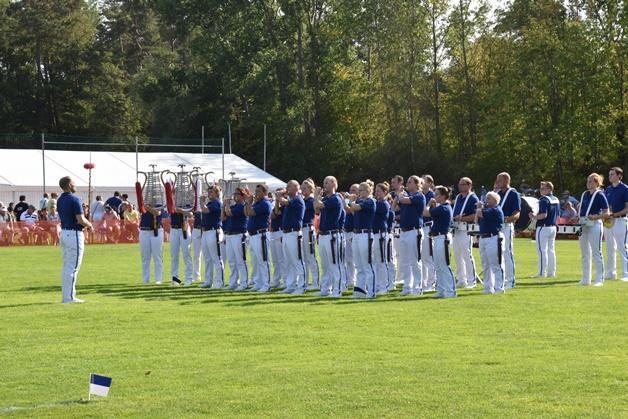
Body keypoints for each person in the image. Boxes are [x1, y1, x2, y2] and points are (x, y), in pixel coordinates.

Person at [57, 176, 93, 303]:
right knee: (73, 267)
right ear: (69, 185)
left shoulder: (60, 200)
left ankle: (66, 296)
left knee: (67, 266)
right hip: (74, 234)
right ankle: (69, 297)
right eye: (73, 183)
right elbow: (80, 219)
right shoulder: (75, 199)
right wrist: (90, 225)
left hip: (64, 232)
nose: (75, 185)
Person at [394, 175, 425, 296]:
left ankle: (417, 287)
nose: (407, 184)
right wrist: (397, 196)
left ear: (417, 184)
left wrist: (399, 194)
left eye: (410, 182)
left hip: (414, 231)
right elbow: (394, 207)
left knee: (415, 260)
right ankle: (407, 287)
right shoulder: (405, 196)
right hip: (404, 231)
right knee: (404, 260)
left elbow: (404, 200)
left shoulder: (419, 196)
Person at [576, 173, 609, 286]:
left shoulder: (600, 195)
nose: (588, 183)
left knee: (596, 252)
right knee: (584, 253)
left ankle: (599, 279)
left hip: (595, 224)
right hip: (583, 225)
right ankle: (586, 279)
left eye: (590, 181)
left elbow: (607, 213)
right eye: (587, 181)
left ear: (596, 183)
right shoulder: (585, 194)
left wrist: (596, 217)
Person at [424, 186, 456, 298]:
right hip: (437, 238)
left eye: (437, 194)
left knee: (444, 265)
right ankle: (441, 290)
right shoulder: (441, 207)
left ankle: (451, 291)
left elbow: (425, 212)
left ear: (443, 196)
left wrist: (429, 204)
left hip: (443, 238)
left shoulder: (444, 207)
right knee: (438, 266)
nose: (434, 196)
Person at [346, 180, 376, 299]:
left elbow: (354, 207)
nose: (358, 193)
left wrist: (350, 200)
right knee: (358, 265)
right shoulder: (359, 201)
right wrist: (348, 200)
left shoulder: (370, 201)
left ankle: (371, 291)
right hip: (357, 234)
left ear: (368, 191)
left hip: (365, 234)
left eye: (361, 190)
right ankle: (360, 291)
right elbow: (350, 209)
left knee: (367, 264)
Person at [314, 176, 343, 297]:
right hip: (323, 234)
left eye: (327, 182)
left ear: (334, 184)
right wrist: (317, 198)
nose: (324, 185)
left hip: (332, 235)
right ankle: (325, 289)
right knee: (325, 265)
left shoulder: (335, 198)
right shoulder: (326, 199)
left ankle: (337, 290)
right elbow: (316, 209)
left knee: (335, 264)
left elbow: (318, 205)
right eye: (324, 182)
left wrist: (316, 195)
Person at [276, 180, 307, 294]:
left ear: (296, 187)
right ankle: (291, 285)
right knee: (289, 261)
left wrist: (279, 196)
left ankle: (302, 286)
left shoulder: (297, 199)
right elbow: (277, 211)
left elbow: (285, 202)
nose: (287, 188)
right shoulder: (290, 200)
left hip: (294, 233)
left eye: (290, 186)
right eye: (287, 186)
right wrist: (278, 199)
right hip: (286, 233)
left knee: (297, 260)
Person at [452, 177, 480, 289]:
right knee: (457, 255)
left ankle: (471, 280)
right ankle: (461, 279)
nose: (460, 186)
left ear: (469, 185)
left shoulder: (473, 198)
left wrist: (462, 218)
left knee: (467, 255)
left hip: (466, 229)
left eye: (463, 184)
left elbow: (475, 215)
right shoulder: (458, 197)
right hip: (456, 229)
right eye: (459, 184)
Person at [244, 184, 273, 292]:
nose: (256, 194)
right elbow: (246, 213)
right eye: (255, 192)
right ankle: (258, 283)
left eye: (259, 192)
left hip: (261, 234)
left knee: (263, 260)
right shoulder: (257, 203)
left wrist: (248, 203)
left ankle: (266, 284)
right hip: (253, 235)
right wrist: (247, 203)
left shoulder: (265, 203)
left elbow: (251, 212)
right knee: (255, 261)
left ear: (265, 193)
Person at [475, 192, 505, 294]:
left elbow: (480, 213)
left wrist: (479, 207)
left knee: (496, 263)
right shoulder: (486, 210)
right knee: (485, 264)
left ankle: (499, 287)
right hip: (484, 237)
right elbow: (476, 220)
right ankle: (488, 287)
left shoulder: (495, 210)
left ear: (495, 200)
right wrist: (480, 209)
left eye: (489, 199)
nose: (486, 201)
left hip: (493, 237)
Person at [495, 172, 521, 288]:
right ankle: (501, 279)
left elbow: (517, 213)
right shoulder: (498, 193)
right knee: (498, 253)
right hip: (497, 226)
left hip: (506, 226)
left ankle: (510, 280)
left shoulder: (514, 194)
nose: (497, 182)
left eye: (499, 180)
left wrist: (508, 219)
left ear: (506, 180)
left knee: (507, 252)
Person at [529, 181, 560, 278]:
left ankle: (541, 273)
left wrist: (534, 217)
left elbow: (543, 215)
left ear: (549, 189)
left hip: (543, 227)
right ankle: (552, 272)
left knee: (542, 251)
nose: (541, 190)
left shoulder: (544, 200)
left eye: (543, 188)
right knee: (551, 250)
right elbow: (558, 215)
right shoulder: (556, 199)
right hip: (553, 227)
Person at [603, 167, 628, 282]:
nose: (610, 176)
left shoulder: (625, 189)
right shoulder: (608, 189)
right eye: (609, 174)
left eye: (612, 174)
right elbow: (606, 206)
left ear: (619, 176)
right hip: (609, 221)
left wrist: (614, 214)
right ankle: (610, 273)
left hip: (621, 221)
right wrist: (607, 214)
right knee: (609, 248)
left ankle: (626, 274)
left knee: (623, 247)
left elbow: (627, 208)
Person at [199, 185, 225, 289]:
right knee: (207, 258)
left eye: (211, 192)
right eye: (208, 192)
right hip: (206, 232)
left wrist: (201, 202)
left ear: (217, 193)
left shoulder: (217, 203)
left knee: (216, 258)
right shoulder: (210, 203)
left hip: (214, 231)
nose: (209, 194)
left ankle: (219, 281)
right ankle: (208, 281)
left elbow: (206, 210)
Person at [224, 187, 249, 290]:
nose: (235, 195)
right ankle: (233, 282)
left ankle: (244, 283)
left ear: (242, 196)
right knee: (232, 261)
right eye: (234, 194)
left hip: (239, 235)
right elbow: (224, 216)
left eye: (237, 194)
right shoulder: (234, 206)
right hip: (230, 235)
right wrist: (226, 205)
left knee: (240, 260)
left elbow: (229, 213)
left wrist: (226, 204)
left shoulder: (241, 206)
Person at [372, 183, 391, 294]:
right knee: (376, 261)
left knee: (382, 261)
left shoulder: (383, 204)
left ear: (385, 192)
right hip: (375, 233)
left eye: (379, 191)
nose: (376, 193)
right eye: (376, 191)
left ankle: (384, 286)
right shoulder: (377, 203)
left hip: (380, 234)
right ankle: (378, 285)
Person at [301, 178, 320, 290]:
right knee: (304, 257)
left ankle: (316, 282)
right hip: (302, 229)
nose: (303, 190)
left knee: (311, 256)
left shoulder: (311, 200)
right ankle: (306, 280)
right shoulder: (303, 200)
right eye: (302, 188)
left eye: (305, 188)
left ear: (310, 189)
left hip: (308, 228)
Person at [139, 204, 163, 284]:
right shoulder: (143, 203)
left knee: (157, 257)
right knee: (145, 258)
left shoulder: (158, 203)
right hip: (144, 230)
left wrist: (147, 207)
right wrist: (145, 206)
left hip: (156, 231)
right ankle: (145, 280)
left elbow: (157, 213)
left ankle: (158, 279)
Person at [169, 205, 193, 286]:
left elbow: (190, 214)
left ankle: (188, 278)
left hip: (184, 228)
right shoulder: (171, 201)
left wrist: (181, 210)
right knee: (174, 256)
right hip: (173, 229)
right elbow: (170, 209)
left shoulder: (185, 201)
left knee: (186, 255)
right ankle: (175, 279)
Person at [421, 174, 437, 292]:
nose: (421, 183)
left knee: (429, 256)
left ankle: (431, 282)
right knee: (422, 257)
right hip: (422, 227)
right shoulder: (421, 194)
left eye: (424, 181)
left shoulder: (432, 195)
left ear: (430, 183)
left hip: (428, 226)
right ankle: (424, 282)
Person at [343, 184, 359, 289]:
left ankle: (354, 280)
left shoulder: (358, 202)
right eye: (350, 190)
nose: (351, 192)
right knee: (348, 259)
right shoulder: (350, 201)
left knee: (354, 259)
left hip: (354, 232)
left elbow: (348, 209)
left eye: (354, 190)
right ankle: (350, 280)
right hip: (347, 231)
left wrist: (346, 200)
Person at [269, 189, 287, 289]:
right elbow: (273, 215)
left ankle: (285, 280)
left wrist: (279, 200)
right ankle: (276, 280)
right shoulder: (278, 206)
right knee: (275, 259)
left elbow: (277, 213)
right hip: (274, 232)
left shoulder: (286, 206)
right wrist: (276, 202)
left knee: (282, 259)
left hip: (280, 232)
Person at [389, 175, 404, 289]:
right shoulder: (391, 194)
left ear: (400, 183)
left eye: (394, 182)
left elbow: (399, 209)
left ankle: (401, 277)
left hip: (400, 225)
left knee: (400, 251)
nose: (392, 184)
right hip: (393, 225)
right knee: (393, 251)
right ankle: (395, 276)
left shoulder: (404, 194)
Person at [191, 208, 203, 283]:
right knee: (196, 255)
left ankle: (210, 277)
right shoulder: (195, 202)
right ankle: (196, 276)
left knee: (209, 256)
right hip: (196, 229)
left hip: (207, 229)